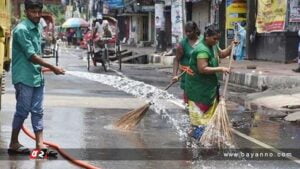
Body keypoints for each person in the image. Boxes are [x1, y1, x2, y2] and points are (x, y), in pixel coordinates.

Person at [8, 0, 65, 155]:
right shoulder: (21, 30)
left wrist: (43, 66)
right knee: (23, 111)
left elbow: (37, 52)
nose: (37, 15)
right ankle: (13, 142)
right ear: (26, 12)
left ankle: (39, 145)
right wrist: (52, 67)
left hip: (36, 75)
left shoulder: (38, 26)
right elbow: (31, 55)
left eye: (39, 12)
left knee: (38, 110)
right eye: (33, 12)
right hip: (23, 76)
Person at [185, 25, 235, 140]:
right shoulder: (202, 50)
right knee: (199, 122)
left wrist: (231, 46)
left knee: (208, 120)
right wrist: (221, 69)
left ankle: (203, 139)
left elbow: (221, 54)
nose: (216, 41)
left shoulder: (213, 45)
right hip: (198, 89)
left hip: (209, 88)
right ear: (207, 37)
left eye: (218, 39)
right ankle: (197, 142)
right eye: (214, 39)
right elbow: (202, 69)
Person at [172, 21, 201, 105]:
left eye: (190, 31)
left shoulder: (203, 41)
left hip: (200, 77)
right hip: (187, 77)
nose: (188, 34)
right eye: (186, 32)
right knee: (189, 103)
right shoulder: (183, 44)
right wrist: (175, 75)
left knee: (200, 102)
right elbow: (176, 60)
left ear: (195, 30)